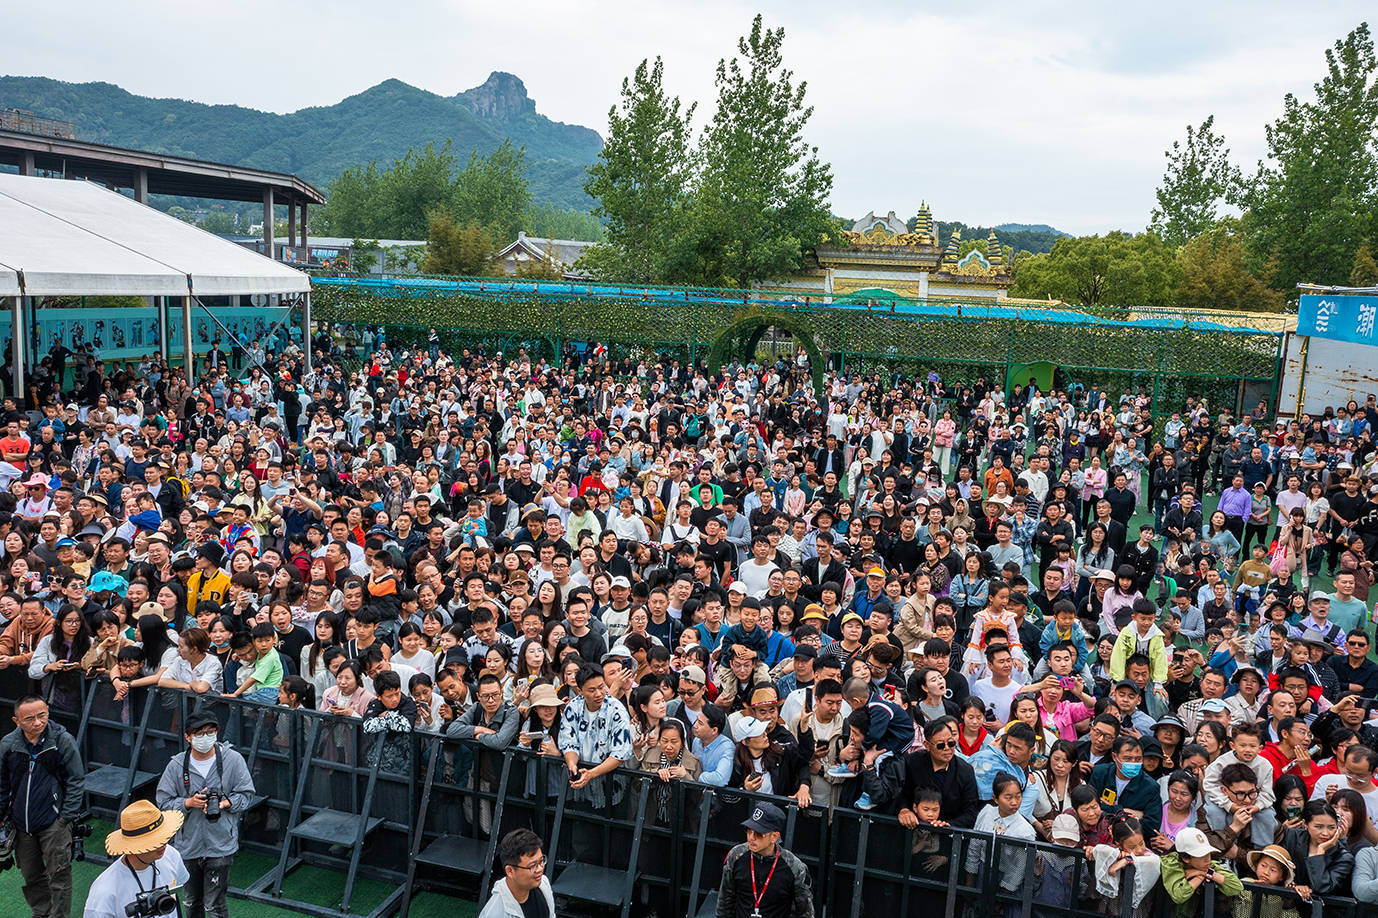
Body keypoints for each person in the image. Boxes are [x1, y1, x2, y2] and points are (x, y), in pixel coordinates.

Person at [153, 711, 256, 918]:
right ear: (187, 737)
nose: (205, 737)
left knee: (214, 906)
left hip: (220, 844)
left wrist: (225, 803)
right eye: (199, 733)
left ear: (217, 732)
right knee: (191, 902)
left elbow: (247, 794)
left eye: (210, 732)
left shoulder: (233, 759)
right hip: (188, 846)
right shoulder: (176, 765)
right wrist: (188, 803)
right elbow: (163, 802)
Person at [0, 694, 84, 918]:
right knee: (31, 875)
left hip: (54, 824)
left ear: (48, 711)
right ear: (16, 721)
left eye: (42, 715)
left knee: (59, 875)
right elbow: (2, 783)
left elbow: (76, 779)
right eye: (29, 719)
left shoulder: (62, 740)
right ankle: (41, 913)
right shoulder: (8, 744)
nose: (37, 722)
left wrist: (65, 817)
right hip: (21, 825)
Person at [83, 800, 190, 918]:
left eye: (164, 836)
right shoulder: (104, 891)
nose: (163, 844)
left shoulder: (171, 854)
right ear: (133, 846)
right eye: (155, 841)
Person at [715, 801, 814, 918]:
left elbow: (805, 913)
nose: (751, 837)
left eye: (758, 833)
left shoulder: (794, 867)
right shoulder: (736, 855)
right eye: (749, 830)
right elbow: (724, 904)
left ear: (774, 837)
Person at [477, 828, 557, 918]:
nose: (540, 869)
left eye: (541, 861)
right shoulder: (495, 914)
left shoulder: (543, 884)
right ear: (510, 871)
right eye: (532, 866)